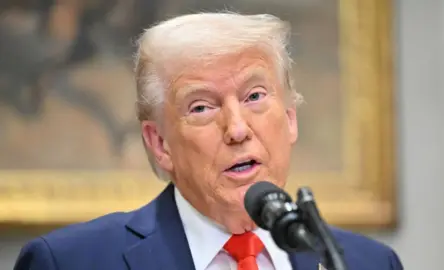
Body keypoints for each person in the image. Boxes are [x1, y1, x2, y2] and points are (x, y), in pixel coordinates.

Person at [14, 12, 403, 270]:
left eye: (254, 97)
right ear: (159, 143)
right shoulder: (70, 263)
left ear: (289, 119)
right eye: (201, 107)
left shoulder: (366, 263)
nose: (236, 129)